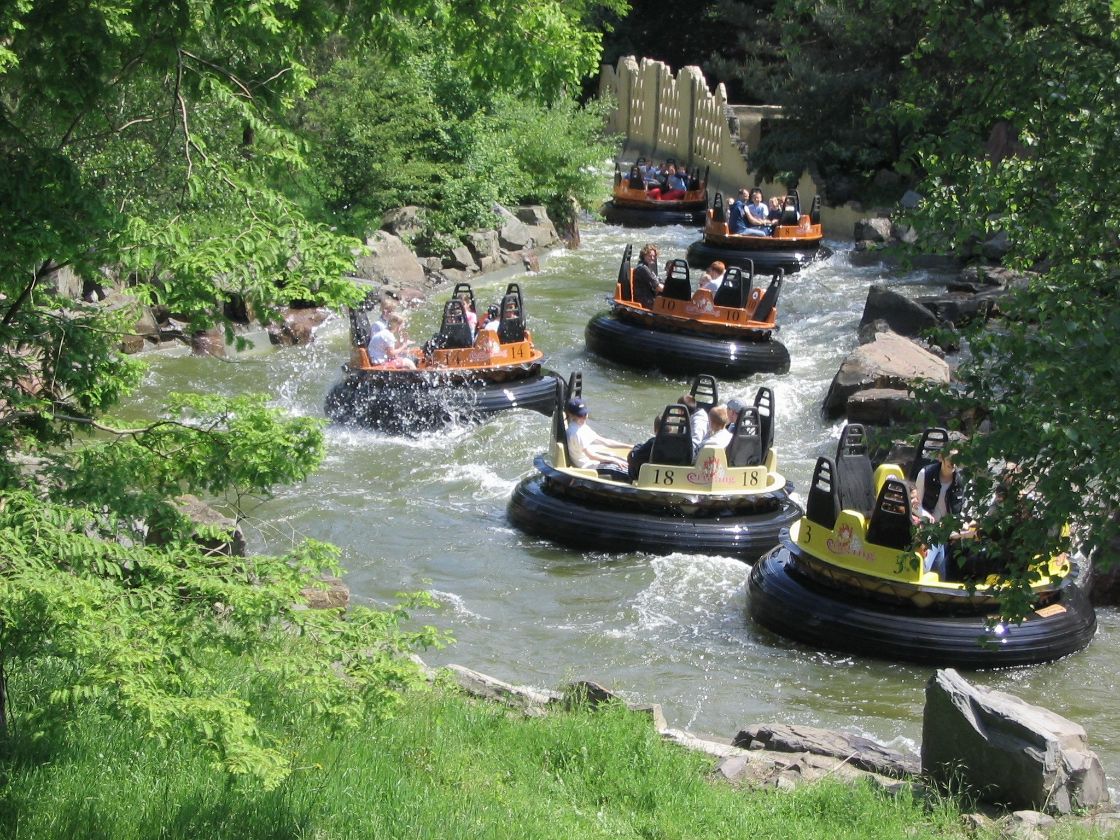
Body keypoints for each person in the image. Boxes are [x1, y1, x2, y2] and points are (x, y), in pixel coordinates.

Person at [565, 398, 629, 473]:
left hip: (593, 462)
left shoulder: (582, 427)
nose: (584, 417)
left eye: (585, 414)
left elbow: (605, 442)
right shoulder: (576, 433)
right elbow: (591, 456)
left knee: (627, 463)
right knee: (628, 471)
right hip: (589, 467)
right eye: (580, 415)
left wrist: (629, 446)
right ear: (571, 415)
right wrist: (614, 460)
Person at [627, 414, 662, 481]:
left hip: (649, 480)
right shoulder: (681, 444)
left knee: (633, 454)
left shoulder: (652, 443)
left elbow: (635, 458)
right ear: (671, 429)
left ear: (655, 430)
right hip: (675, 480)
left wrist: (634, 450)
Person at [632, 243, 664, 309]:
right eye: (650, 256)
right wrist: (672, 291)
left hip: (649, 298)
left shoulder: (647, 267)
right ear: (644, 255)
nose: (652, 258)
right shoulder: (643, 268)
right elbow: (658, 287)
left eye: (654, 256)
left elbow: (657, 280)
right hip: (646, 301)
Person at [678, 393, 709, 458]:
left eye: (678, 410)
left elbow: (696, 443)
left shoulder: (699, 421)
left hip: (697, 455)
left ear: (682, 411)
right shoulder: (690, 417)